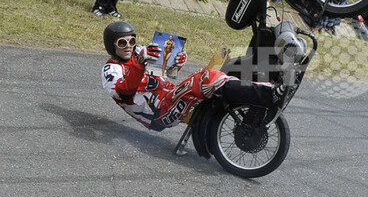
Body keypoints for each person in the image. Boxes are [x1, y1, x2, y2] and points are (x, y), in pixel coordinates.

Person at [101, 21, 276, 132]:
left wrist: (177, 61)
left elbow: (166, 71)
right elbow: (124, 92)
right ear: (111, 45)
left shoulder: (139, 51)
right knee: (206, 79)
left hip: (170, 96)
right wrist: (140, 63)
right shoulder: (111, 70)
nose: (128, 46)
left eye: (131, 41)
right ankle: (270, 93)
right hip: (160, 113)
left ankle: (265, 89)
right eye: (122, 42)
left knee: (225, 63)